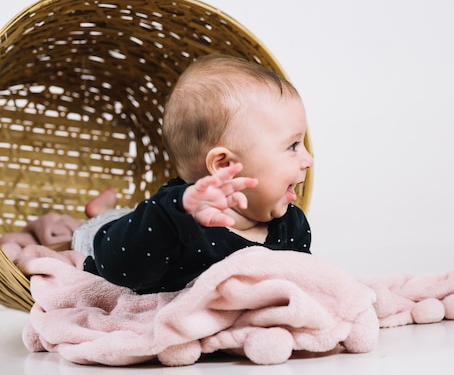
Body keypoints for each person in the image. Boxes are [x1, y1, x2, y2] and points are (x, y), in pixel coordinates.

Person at [78, 54, 314, 294]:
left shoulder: (292, 227)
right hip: (111, 235)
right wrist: (175, 216)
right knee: (89, 232)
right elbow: (118, 267)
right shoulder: (176, 218)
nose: (309, 160)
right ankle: (100, 214)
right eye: (292, 146)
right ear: (224, 165)